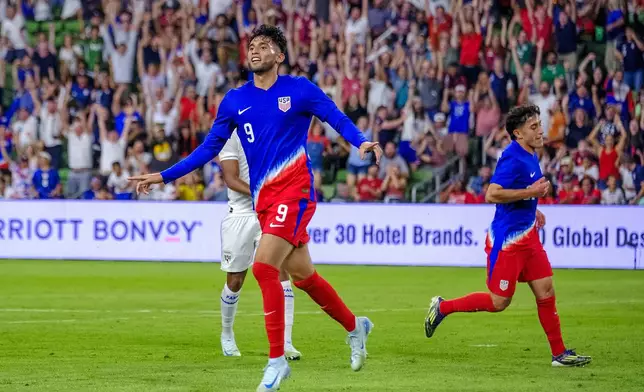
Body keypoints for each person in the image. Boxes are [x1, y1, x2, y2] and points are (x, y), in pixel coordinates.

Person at [129, 25, 382, 392]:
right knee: (304, 277)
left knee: (263, 268)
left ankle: (276, 362)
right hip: (264, 201)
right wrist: (163, 176)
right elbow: (207, 149)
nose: (254, 50)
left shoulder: (299, 89)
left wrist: (359, 142)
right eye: (251, 46)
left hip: (294, 192)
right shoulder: (234, 100)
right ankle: (355, 327)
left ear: (280, 56)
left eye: (264, 46)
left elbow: (334, 116)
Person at [424, 105, 591, 367]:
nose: (540, 130)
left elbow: (523, 192)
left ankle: (559, 354)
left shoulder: (531, 153)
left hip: (529, 235)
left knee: (546, 290)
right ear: (518, 133)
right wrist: (530, 193)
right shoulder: (512, 158)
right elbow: (492, 193)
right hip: (508, 241)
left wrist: (533, 211)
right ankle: (443, 307)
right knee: (499, 301)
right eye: (533, 127)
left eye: (539, 124)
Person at [217, 130, 301, 360]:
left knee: (280, 271)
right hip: (240, 215)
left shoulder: (268, 127)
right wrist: (262, 192)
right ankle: (226, 333)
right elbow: (231, 179)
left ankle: (286, 343)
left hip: (271, 211)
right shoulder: (230, 136)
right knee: (235, 280)